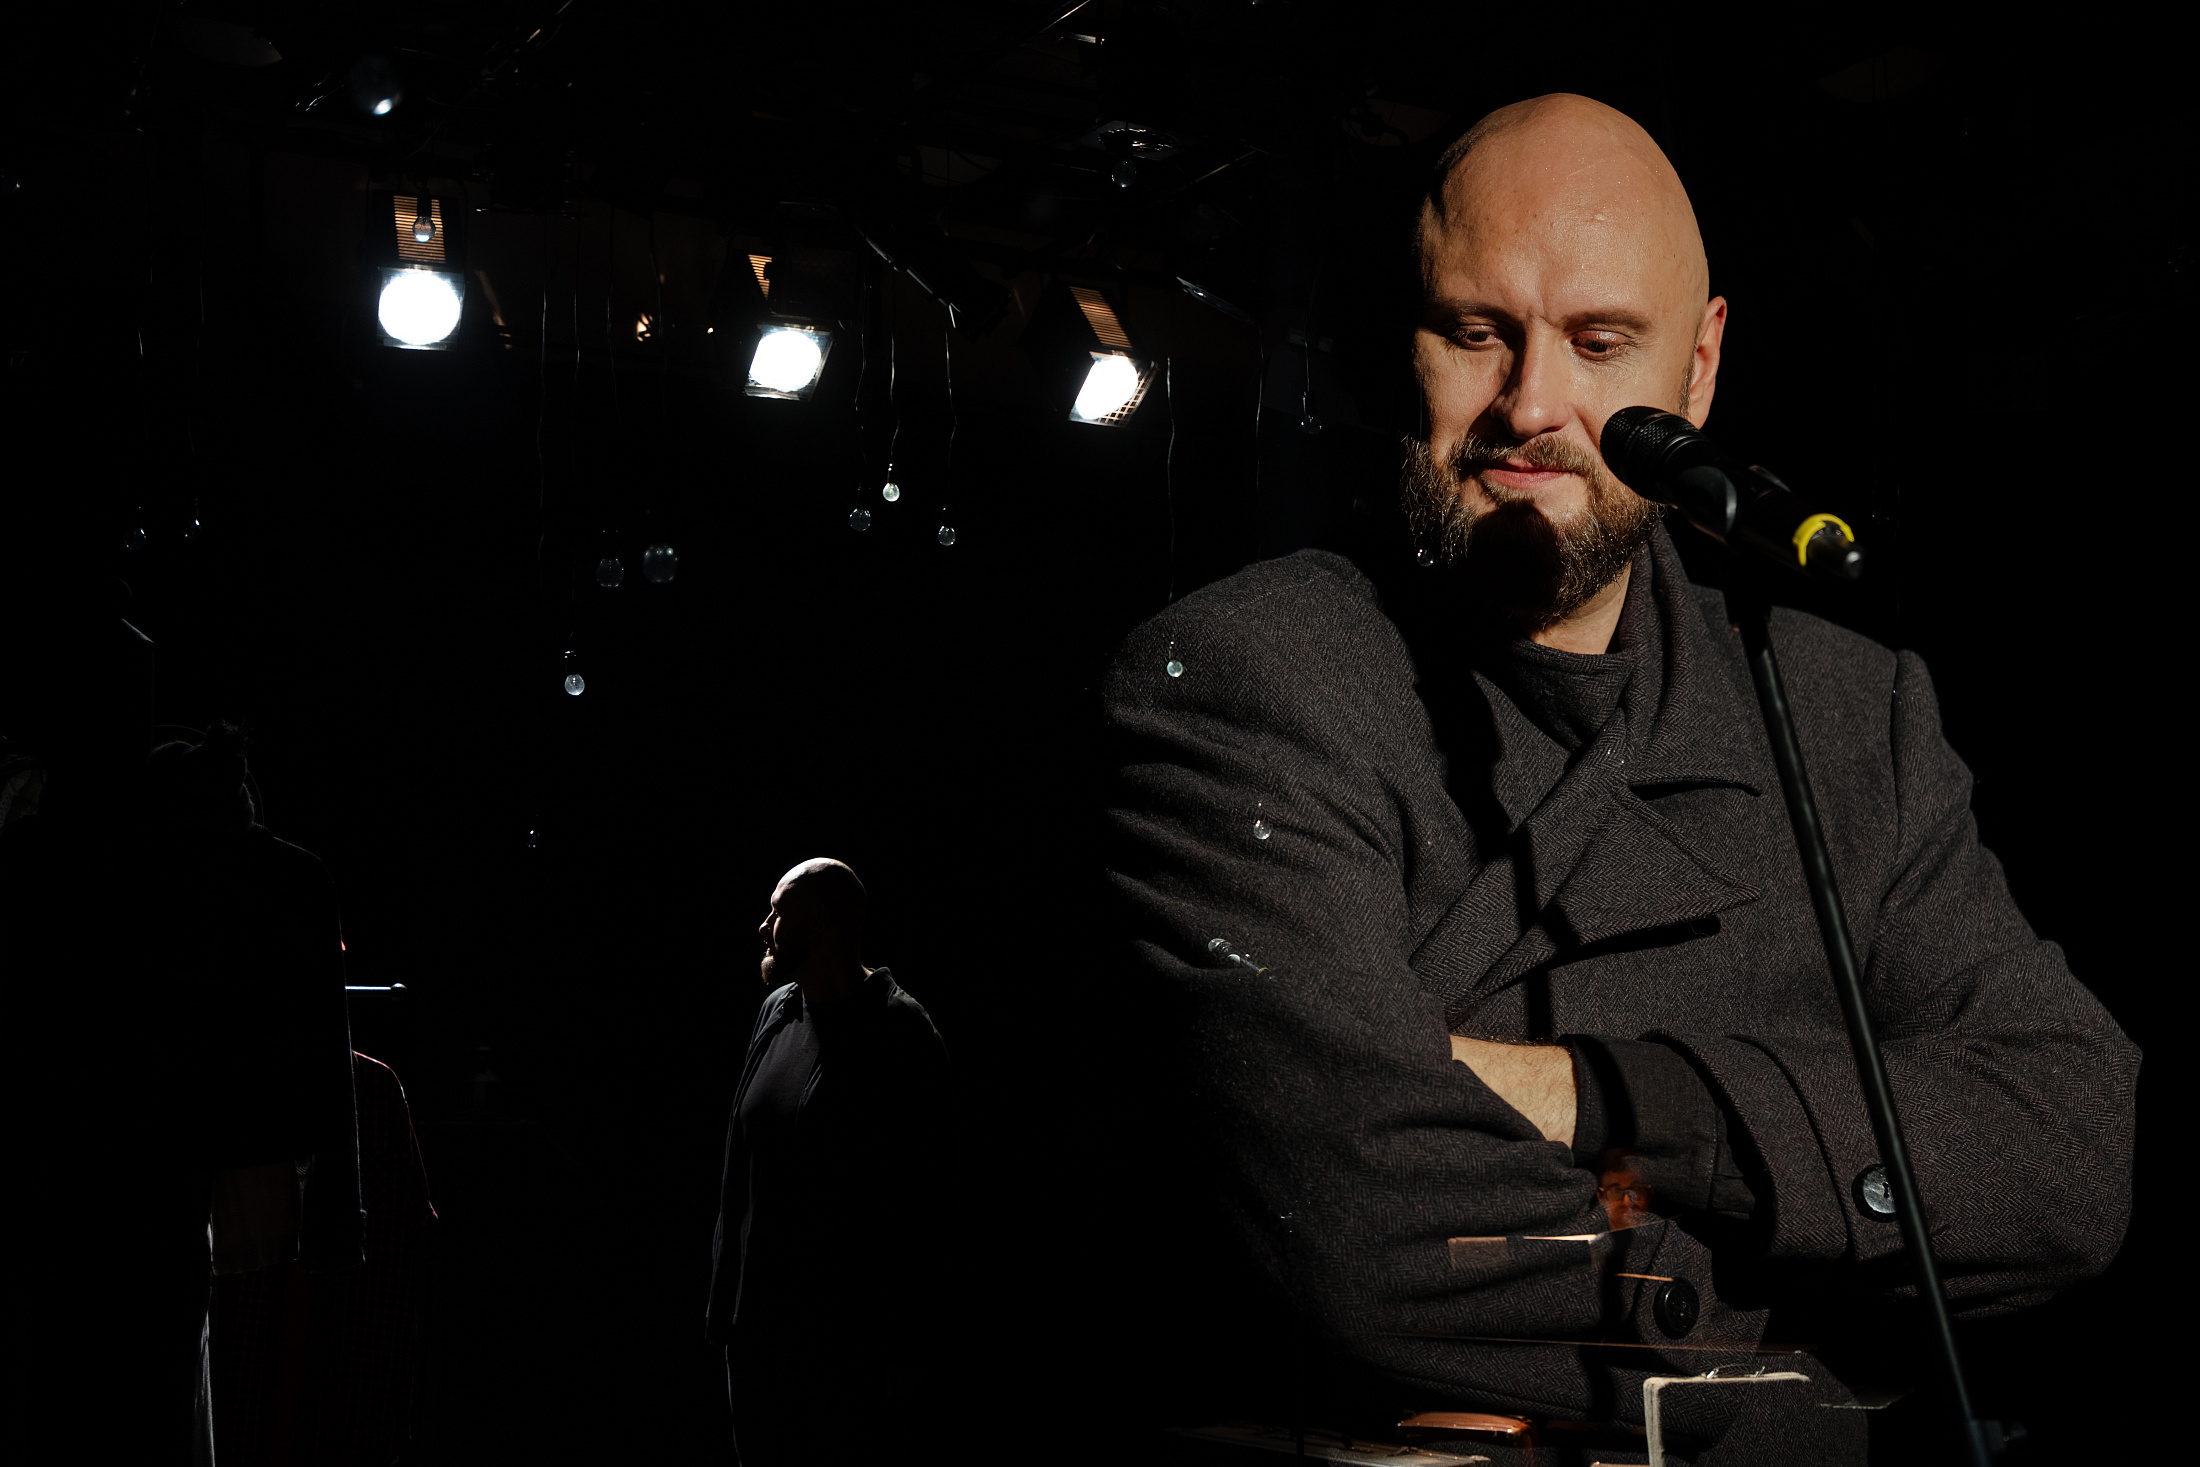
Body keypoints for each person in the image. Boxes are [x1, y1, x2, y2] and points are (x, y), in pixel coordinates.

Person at [1100, 95, 2137, 1463]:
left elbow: (2069, 1155)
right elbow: (1359, 1225)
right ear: (1399, 343)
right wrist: (1805, 1330)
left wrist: (1598, 1098)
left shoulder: (1848, 711)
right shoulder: (1249, 678)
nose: (1532, 405)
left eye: (1600, 344)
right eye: (1476, 332)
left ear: (1697, 370)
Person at [706, 859, 954, 1466]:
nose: (764, 927)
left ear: (818, 921)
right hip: (757, 1339)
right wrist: (725, 1307)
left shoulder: (898, 1031)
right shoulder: (778, 1012)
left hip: (843, 1349)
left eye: (777, 912)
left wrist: (906, 1348)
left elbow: (924, 1201)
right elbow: (743, 1168)